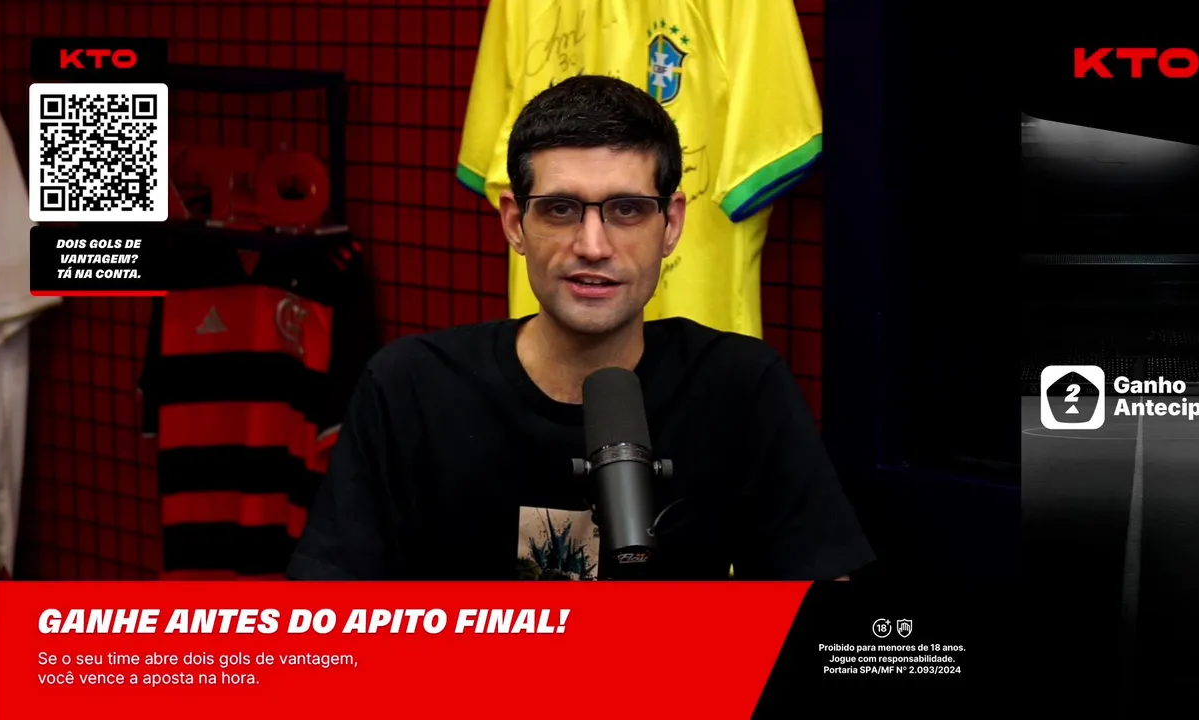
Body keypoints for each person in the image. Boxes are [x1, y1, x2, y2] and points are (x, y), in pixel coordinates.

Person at [288, 75, 874, 581]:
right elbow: (326, 628)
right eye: (560, 208)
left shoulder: (741, 387)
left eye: (627, 209)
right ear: (515, 223)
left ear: (671, 225)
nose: (593, 246)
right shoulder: (409, 388)